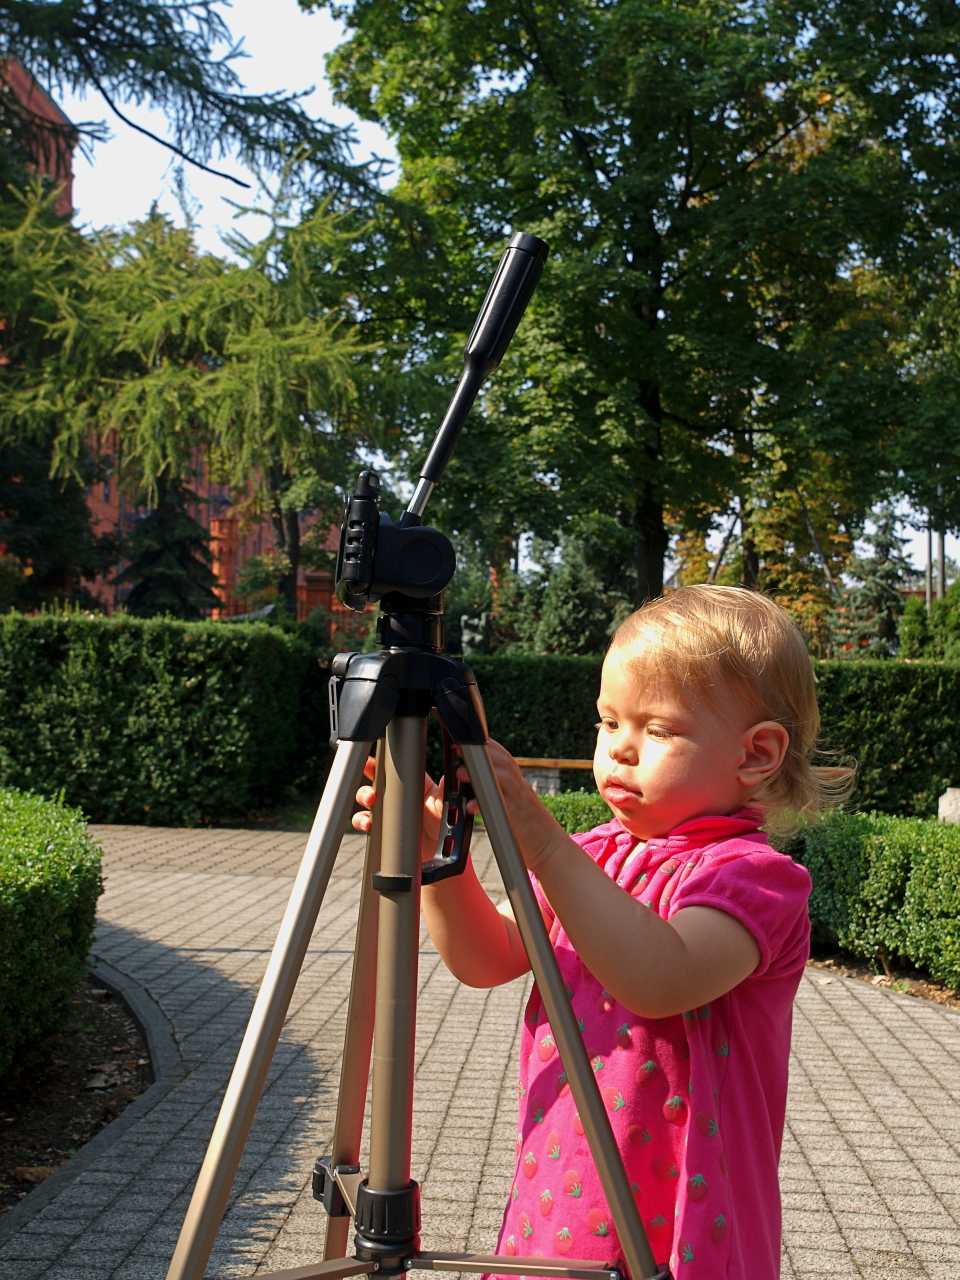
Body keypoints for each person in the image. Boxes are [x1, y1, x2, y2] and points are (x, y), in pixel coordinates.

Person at [353, 584, 854, 1279]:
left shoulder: (754, 878)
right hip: (563, 1196)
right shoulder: (593, 854)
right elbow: (489, 956)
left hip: (684, 1220)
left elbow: (660, 977)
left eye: (658, 730)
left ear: (756, 754)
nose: (620, 749)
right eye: (608, 722)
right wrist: (434, 861)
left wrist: (542, 841)